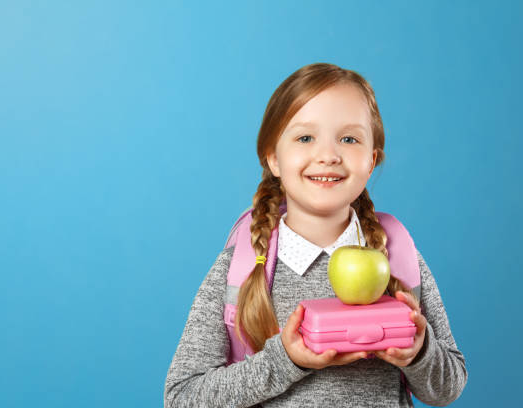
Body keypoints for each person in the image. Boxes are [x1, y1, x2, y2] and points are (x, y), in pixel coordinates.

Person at [164, 63, 467, 407]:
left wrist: (419, 351)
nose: (327, 156)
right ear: (273, 158)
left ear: (371, 160)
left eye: (349, 139)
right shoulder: (244, 264)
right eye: (305, 138)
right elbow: (182, 398)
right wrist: (285, 361)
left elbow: (448, 386)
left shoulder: (395, 254)